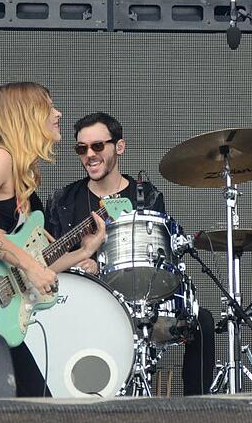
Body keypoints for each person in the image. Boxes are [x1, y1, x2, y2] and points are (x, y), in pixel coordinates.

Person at [0, 82, 106, 397]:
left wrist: (84, 250)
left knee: (37, 406)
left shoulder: (27, 187)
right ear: (27, 115)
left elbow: (41, 261)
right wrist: (29, 266)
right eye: (50, 107)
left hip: (0, 310)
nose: (58, 114)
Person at [47, 112, 216, 395]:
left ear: (119, 147)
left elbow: (156, 258)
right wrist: (77, 267)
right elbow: (44, 260)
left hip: (134, 299)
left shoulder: (146, 195)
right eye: (82, 148)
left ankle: (196, 410)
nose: (89, 154)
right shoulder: (63, 200)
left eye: (98, 146)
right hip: (80, 305)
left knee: (202, 321)